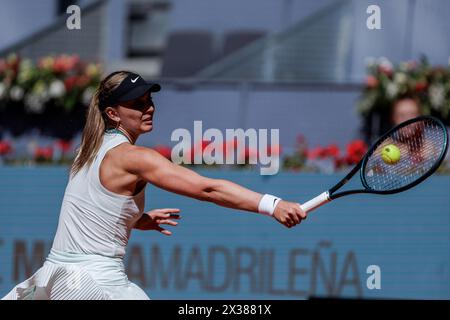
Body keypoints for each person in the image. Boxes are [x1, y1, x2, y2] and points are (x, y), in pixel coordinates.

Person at [2, 71, 306, 300]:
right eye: (137, 104)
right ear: (113, 113)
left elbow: (91, 209)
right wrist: (273, 204)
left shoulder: (88, 149)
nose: (148, 109)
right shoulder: (134, 158)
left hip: (54, 277)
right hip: (91, 283)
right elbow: (207, 189)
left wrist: (136, 219)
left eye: (149, 101)